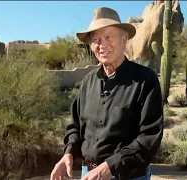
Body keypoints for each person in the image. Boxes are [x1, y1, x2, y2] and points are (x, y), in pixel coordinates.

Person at [50, 7, 164, 180]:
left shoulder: (145, 81)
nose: (102, 45)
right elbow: (75, 125)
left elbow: (149, 137)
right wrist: (69, 153)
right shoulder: (88, 82)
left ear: (124, 40)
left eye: (108, 37)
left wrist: (110, 166)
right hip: (88, 173)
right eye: (96, 39)